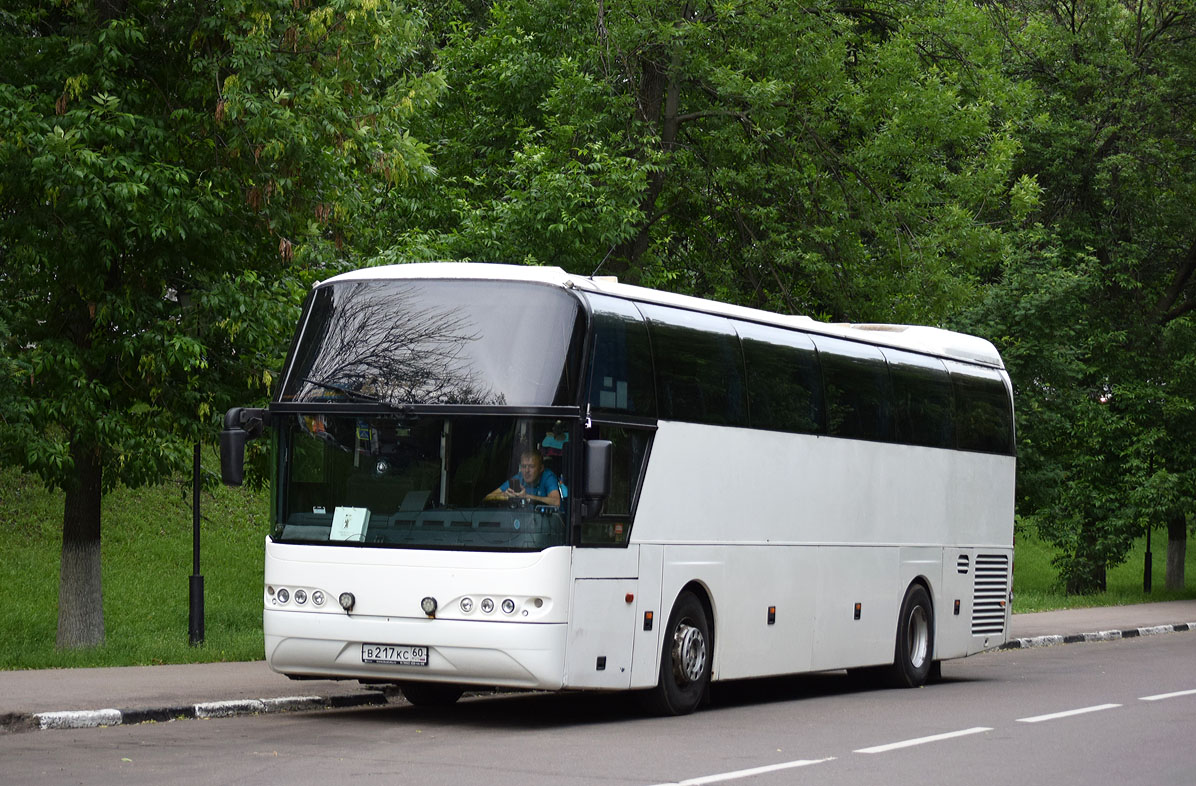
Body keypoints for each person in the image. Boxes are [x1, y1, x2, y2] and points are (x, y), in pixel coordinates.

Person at [485, 449, 561, 507]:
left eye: (531, 466)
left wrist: (526, 497)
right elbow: (488, 497)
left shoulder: (547, 476)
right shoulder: (517, 480)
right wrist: (505, 495)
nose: (526, 471)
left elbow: (556, 502)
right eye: (523, 466)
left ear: (541, 468)